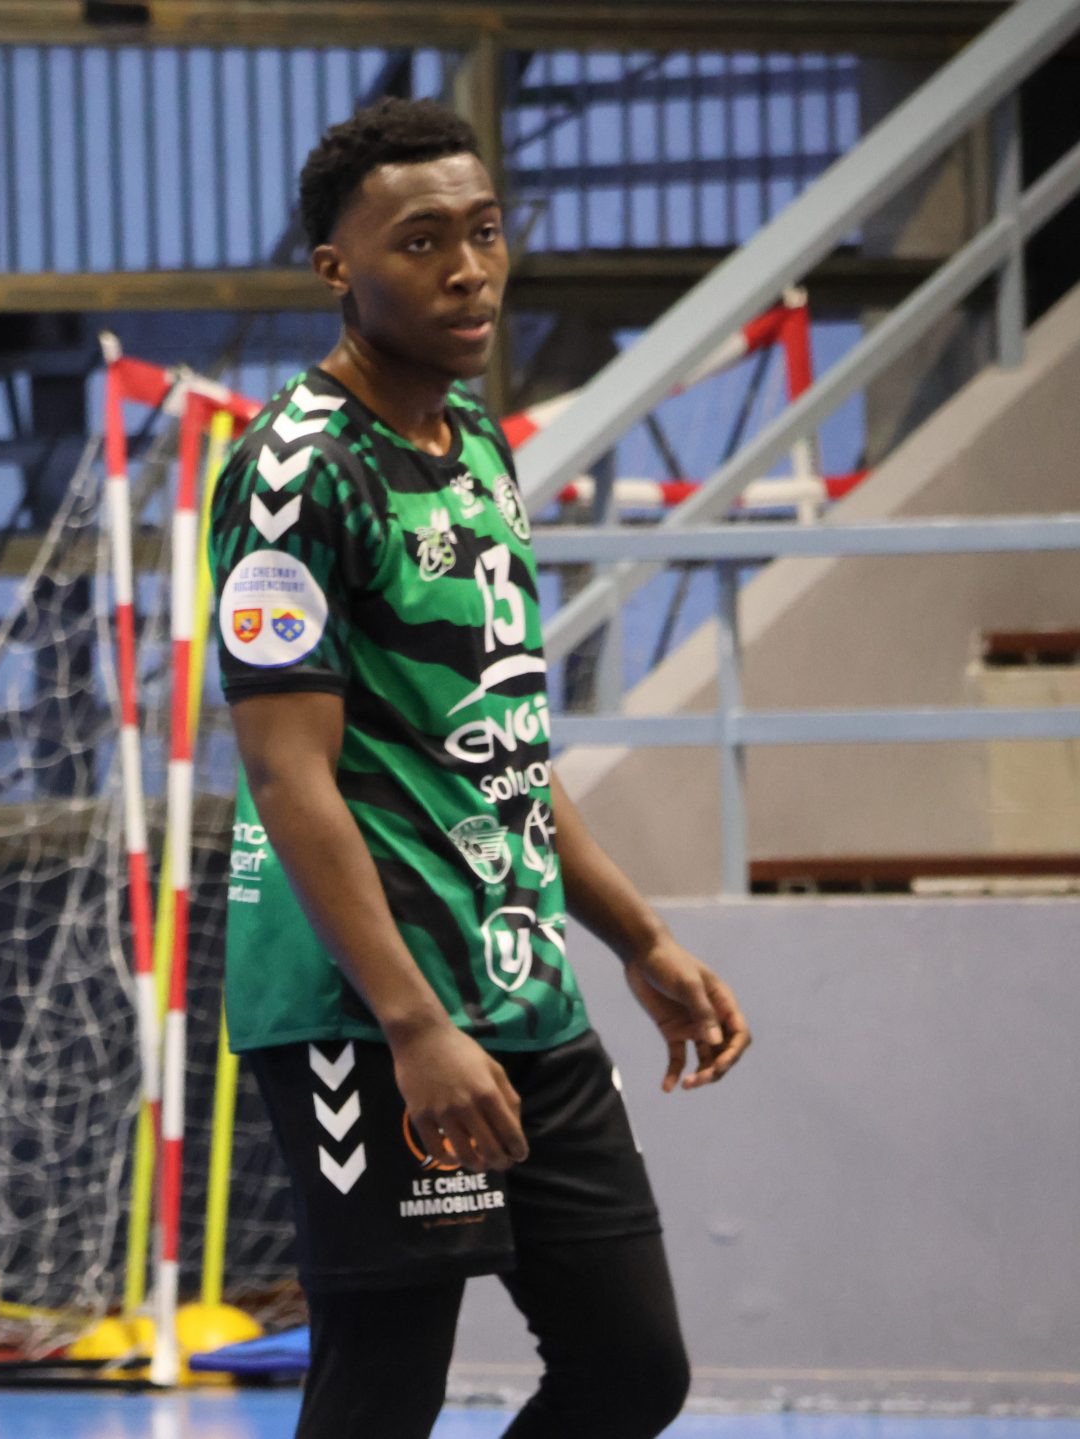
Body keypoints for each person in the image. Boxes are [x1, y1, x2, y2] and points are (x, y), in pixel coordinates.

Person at [207, 98, 753, 1438]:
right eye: (422, 241)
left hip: (517, 981)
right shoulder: (292, 474)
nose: (468, 270)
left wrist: (638, 936)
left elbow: (501, 739)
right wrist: (411, 1024)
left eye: (486, 231)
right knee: (383, 1385)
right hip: (362, 1007)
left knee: (632, 1366)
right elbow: (289, 779)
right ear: (337, 268)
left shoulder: (479, 443)